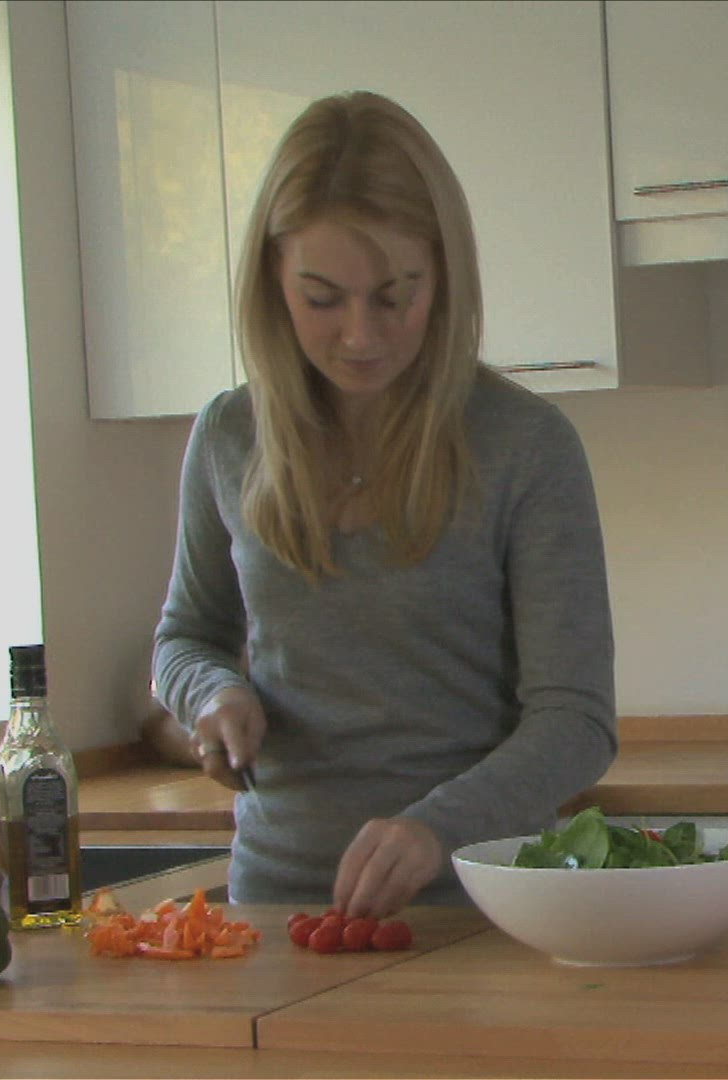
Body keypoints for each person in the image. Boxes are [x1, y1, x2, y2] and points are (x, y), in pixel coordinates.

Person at [152, 91, 616, 920]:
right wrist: (214, 696)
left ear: (444, 275)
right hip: (276, 908)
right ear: (272, 281)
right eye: (322, 298)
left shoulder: (524, 446)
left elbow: (576, 722)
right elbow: (186, 637)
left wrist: (437, 829)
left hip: (480, 909)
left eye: (395, 295)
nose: (361, 335)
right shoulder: (230, 435)